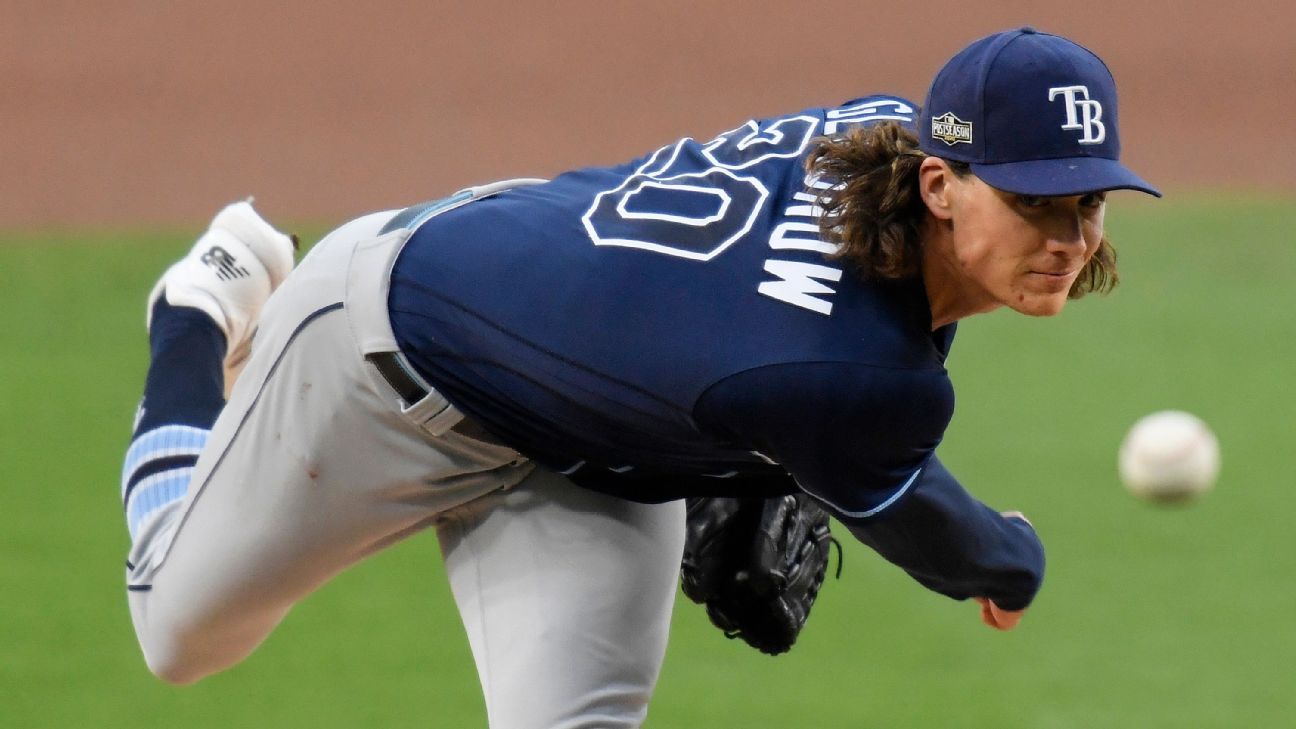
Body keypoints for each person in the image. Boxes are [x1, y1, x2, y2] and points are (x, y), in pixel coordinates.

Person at [119, 27, 1159, 728]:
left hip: (590, 438)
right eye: (1033, 204)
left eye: (1087, 202)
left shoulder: (877, 132)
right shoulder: (851, 382)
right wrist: (1015, 563)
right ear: (938, 184)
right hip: (388, 349)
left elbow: (757, 327)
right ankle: (203, 302)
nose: (1068, 235)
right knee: (179, 633)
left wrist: (756, 458)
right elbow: (955, 547)